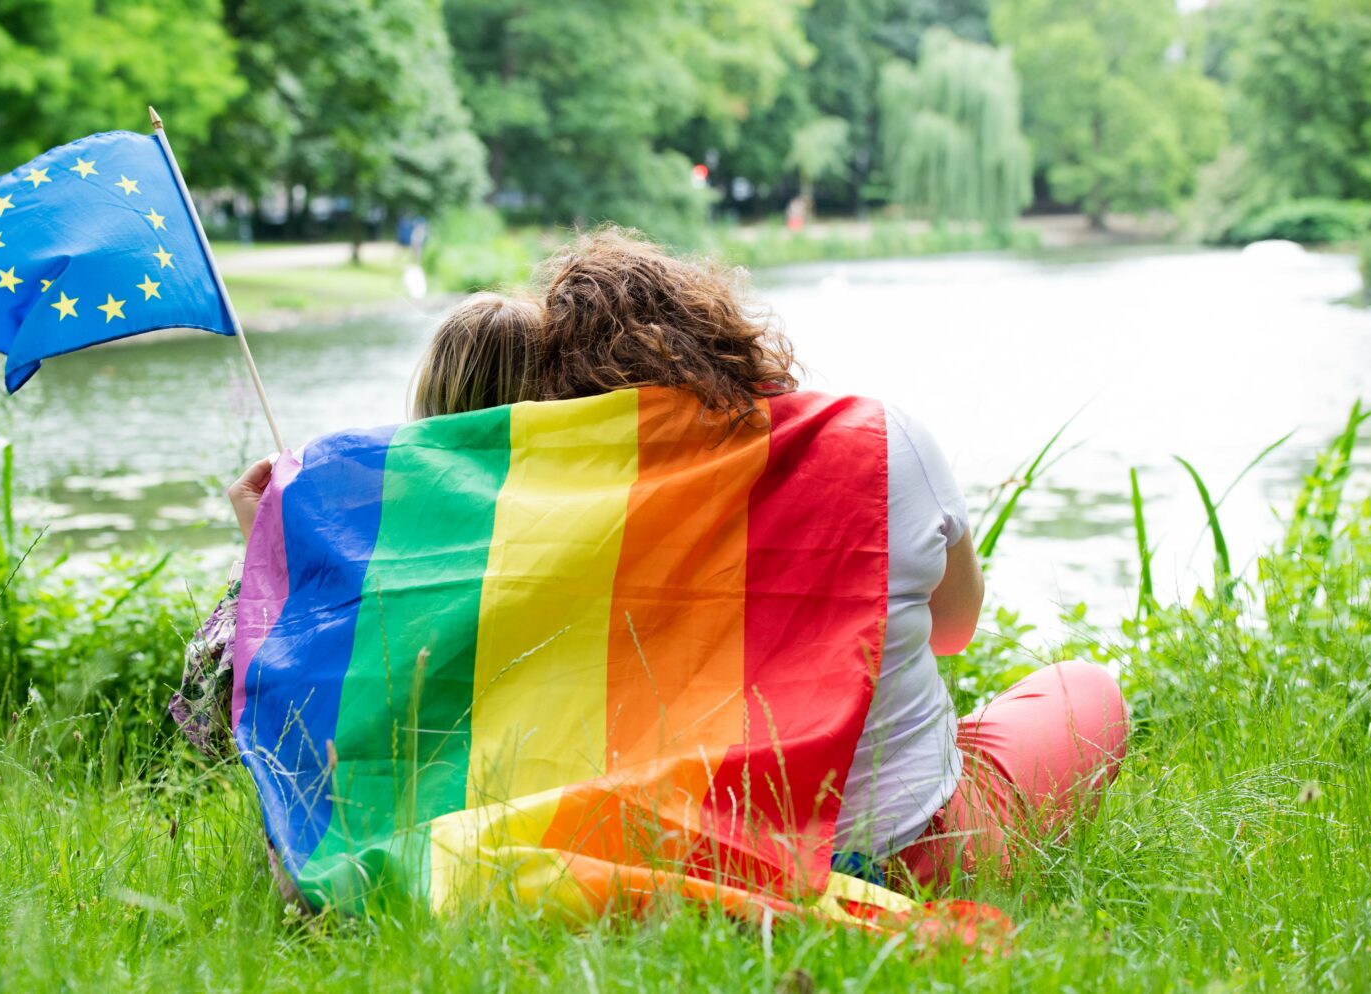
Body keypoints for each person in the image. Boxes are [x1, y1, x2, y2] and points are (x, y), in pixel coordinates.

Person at [532, 229, 1129, 889]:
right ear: (718, 334)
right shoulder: (875, 437)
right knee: (1086, 692)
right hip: (907, 857)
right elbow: (954, 629)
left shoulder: (554, 510)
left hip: (675, 854)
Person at [169, 292, 545, 756]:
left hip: (393, 803)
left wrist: (266, 551)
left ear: (430, 392)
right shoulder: (575, 513)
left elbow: (224, 725)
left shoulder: (376, 529)